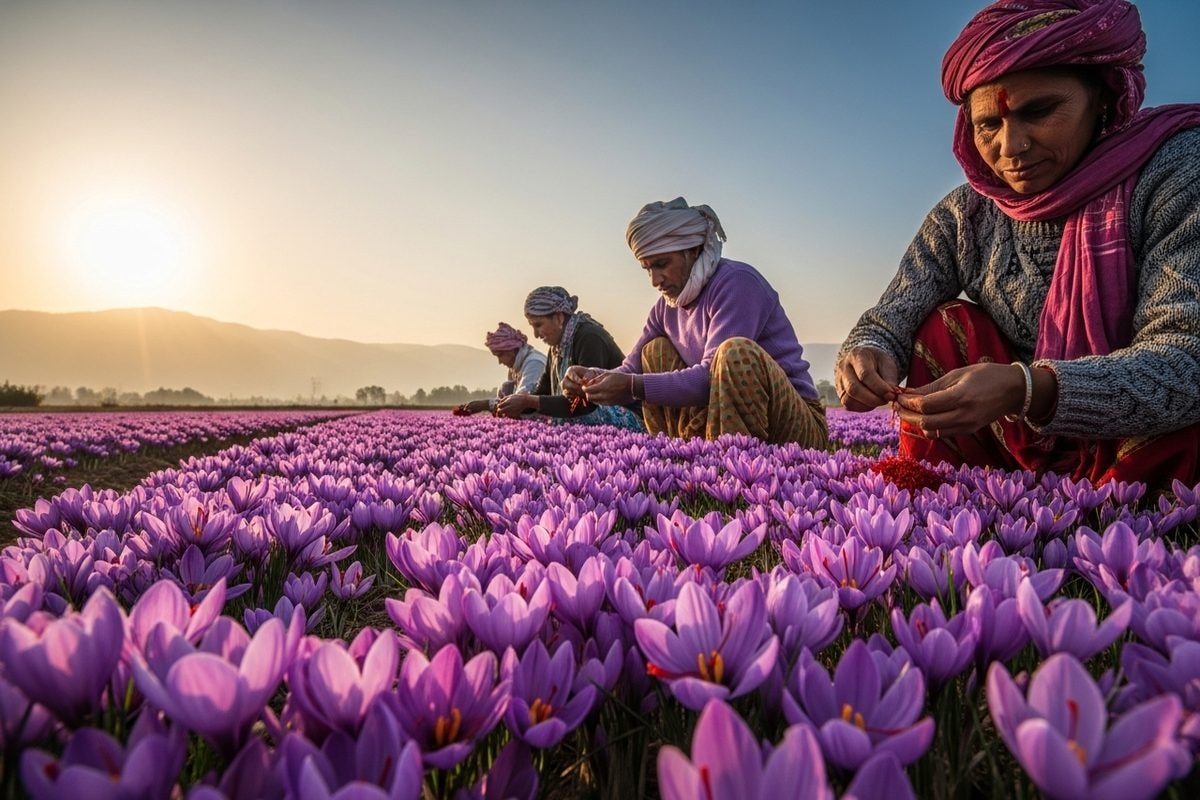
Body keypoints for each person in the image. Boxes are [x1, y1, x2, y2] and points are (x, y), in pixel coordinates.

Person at [836, 0, 1200, 489]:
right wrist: (868, 352)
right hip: (1020, 444)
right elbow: (892, 318)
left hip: (1137, 437)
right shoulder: (968, 215)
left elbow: (1187, 359)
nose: (1011, 147)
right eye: (989, 124)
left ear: (1103, 97)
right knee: (945, 325)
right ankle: (951, 501)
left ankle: (1126, 511)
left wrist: (1028, 388)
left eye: (1039, 111)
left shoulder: (1176, 172)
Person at [564, 197, 828, 448]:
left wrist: (632, 385)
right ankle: (678, 457)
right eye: (648, 268)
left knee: (735, 353)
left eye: (662, 264)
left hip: (793, 426)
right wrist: (592, 379)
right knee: (654, 351)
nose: (655, 280)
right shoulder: (665, 308)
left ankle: (735, 466)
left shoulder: (737, 283)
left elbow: (708, 378)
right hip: (717, 415)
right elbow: (630, 370)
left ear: (693, 250)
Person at [494, 286, 644, 431]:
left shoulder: (589, 338)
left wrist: (528, 401)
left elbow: (585, 403)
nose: (535, 334)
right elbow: (543, 392)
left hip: (627, 422)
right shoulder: (556, 349)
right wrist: (516, 404)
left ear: (559, 318)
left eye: (538, 325)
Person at [456, 322, 546, 415]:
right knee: (506, 387)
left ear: (512, 349)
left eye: (500, 355)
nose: (500, 362)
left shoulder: (535, 363)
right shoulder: (515, 367)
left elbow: (520, 400)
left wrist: (487, 404)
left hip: (544, 421)